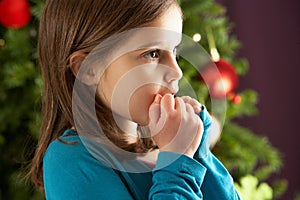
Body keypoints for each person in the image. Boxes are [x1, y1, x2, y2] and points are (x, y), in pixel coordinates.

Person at [29, 0, 241, 199]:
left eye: (174, 51)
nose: (176, 72)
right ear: (89, 69)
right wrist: (177, 162)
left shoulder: (162, 146)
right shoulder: (70, 162)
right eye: (153, 54)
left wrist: (198, 152)